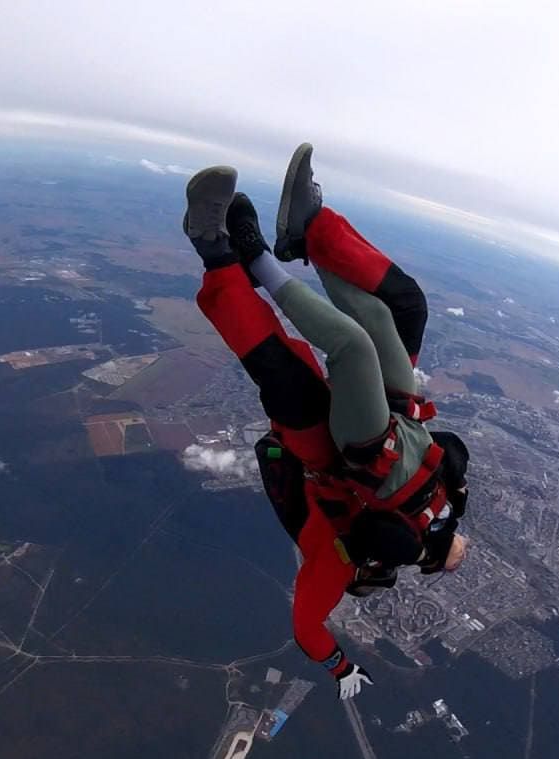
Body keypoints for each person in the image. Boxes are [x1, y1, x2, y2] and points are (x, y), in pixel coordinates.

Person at [182, 144, 471, 700]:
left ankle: (223, 250)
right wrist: (452, 487)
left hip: (350, 444)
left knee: (304, 359)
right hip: (394, 419)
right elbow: (447, 453)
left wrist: (340, 667)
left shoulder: (351, 556)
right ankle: (306, 233)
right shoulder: (446, 507)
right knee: (393, 311)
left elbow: (305, 624)